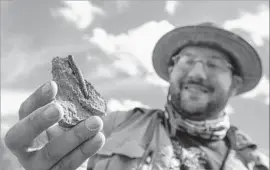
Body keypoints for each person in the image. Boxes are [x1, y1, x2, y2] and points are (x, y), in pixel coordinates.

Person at [4, 23, 269, 170]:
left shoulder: (256, 164)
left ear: (235, 84)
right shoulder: (113, 126)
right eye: (187, 60)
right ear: (171, 69)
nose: (197, 72)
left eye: (214, 64)